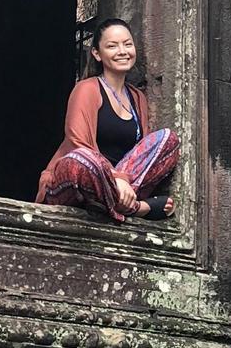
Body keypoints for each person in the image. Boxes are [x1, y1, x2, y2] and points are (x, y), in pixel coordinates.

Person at [37, 19, 179, 221]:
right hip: (77, 180)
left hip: (119, 187)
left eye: (127, 44)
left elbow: (139, 155)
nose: (122, 51)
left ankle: (116, 203)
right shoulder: (87, 89)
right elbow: (78, 143)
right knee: (83, 158)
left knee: (167, 139)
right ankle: (137, 208)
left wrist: (121, 180)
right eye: (112, 46)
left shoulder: (137, 98)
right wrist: (115, 178)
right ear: (97, 54)